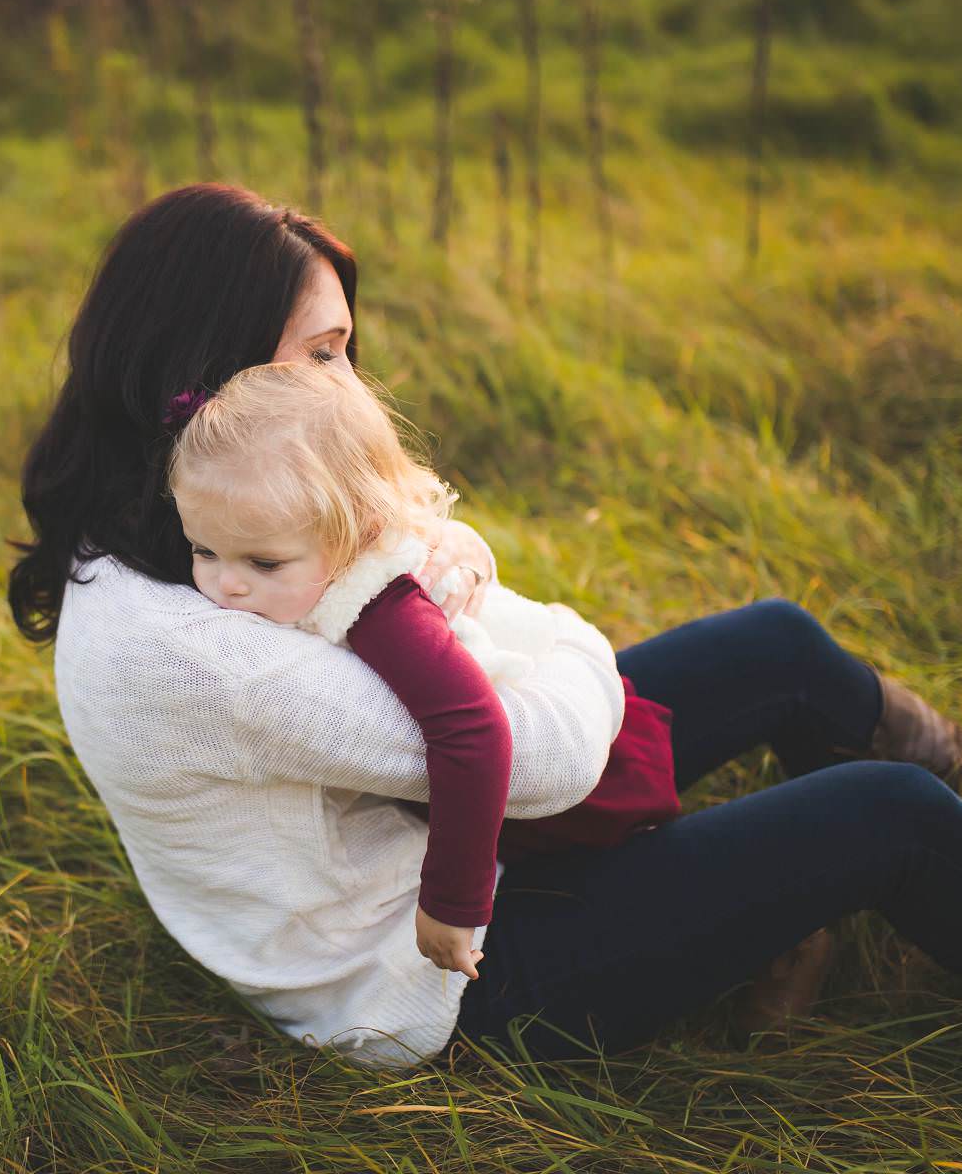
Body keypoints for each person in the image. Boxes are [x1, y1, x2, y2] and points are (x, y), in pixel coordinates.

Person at [10, 182, 962, 1067]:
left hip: (452, 853)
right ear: (206, 371)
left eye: (344, 352)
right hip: (438, 982)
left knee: (777, 644)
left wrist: (508, 622)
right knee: (888, 811)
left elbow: (477, 635)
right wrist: (563, 647)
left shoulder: (212, 511)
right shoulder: (198, 638)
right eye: (320, 358)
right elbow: (537, 759)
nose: (349, 391)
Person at [164, 359, 682, 984]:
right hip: (503, 795)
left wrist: (452, 901)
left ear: (352, 532)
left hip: (575, 793)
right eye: (204, 550)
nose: (227, 583)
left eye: (265, 563)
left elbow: (473, 732)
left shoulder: (381, 610)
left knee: (615, 874)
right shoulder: (293, 570)